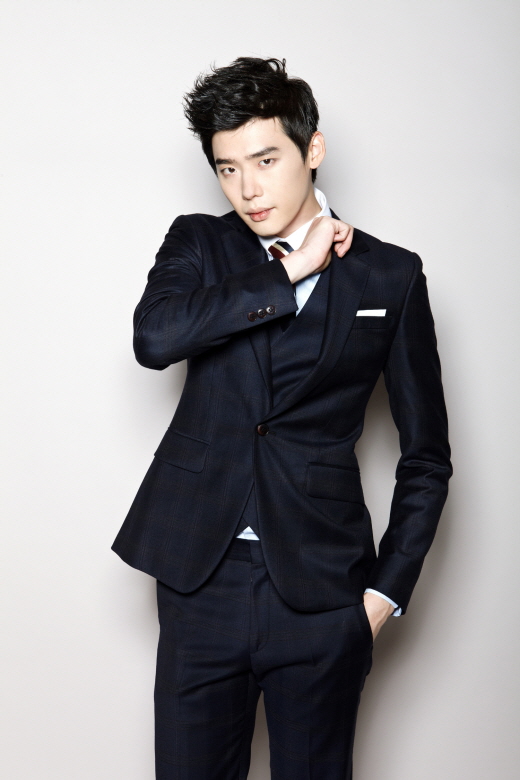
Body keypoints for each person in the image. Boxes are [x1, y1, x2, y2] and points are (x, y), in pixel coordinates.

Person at [111, 56, 452, 779]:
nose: (248, 188)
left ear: (312, 148)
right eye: (228, 168)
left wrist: (384, 595)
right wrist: (288, 270)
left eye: (265, 161)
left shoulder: (390, 275)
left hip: (323, 590)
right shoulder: (200, 244)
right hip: (202, 582)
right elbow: (155, 340)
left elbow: (426, 456)